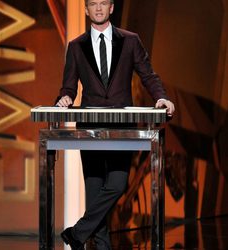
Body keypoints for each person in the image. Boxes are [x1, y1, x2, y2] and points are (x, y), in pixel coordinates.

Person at [56, 0, 175, 249]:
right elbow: (68, 86)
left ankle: (76, 233)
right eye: (93, 4)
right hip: (90, 127)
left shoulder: (130, 41)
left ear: (111, 8)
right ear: (86, 10)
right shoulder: (76, 46)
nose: (98, 8)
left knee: (118, 183)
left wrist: (161, 97)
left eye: (103, 3)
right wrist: (64, 98)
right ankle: (99, 245)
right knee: (94, 192)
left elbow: (148, 74)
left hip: (122, 127)